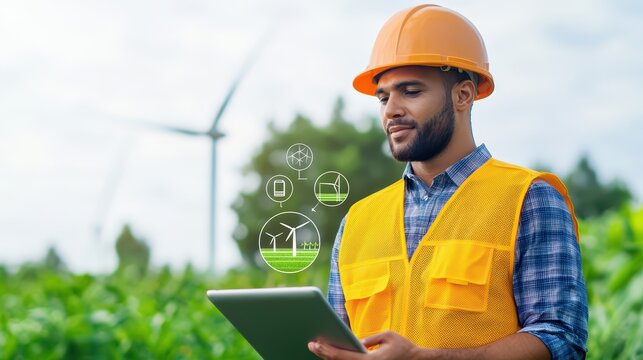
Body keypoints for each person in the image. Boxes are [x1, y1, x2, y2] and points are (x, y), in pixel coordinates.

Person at [308, 4, 588, 360]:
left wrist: (421, 358)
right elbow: (340, 345)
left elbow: (560, 339)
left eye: (410, 91)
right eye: (383, 97)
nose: (391, 109)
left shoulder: (528, 198)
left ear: (463, 95)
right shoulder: (357, 222)